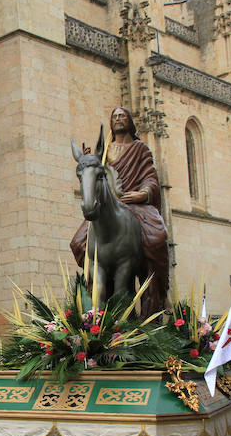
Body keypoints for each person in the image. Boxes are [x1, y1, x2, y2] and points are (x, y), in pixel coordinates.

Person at [70, 106, 169, 313]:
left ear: (129, 121)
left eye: (122, 116)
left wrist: (143, 194)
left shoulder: (140, 148)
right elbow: (95, 174)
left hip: (134, 203)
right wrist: (89, 159)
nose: (118, 119)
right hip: (108, 204)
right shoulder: (105, 149)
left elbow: (150, 176)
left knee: (157, 237)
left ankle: (158, 289)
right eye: (114, 116)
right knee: (78, 242)